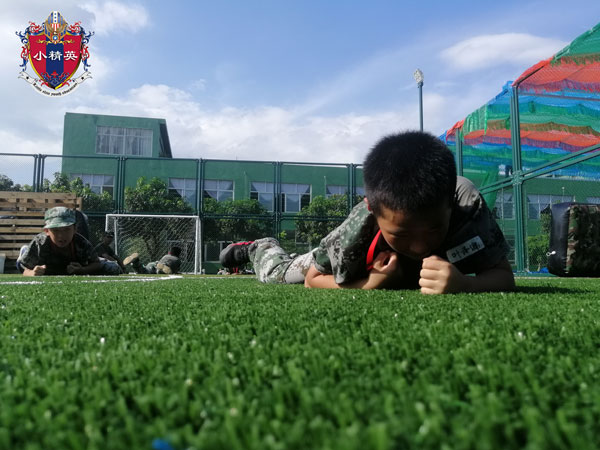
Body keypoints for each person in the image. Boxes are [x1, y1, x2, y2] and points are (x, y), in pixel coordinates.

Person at [219, 131, 515, 294]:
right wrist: (370, 283)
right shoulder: (360, 224)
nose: (419, 246)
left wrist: (465, 284)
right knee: (280, 275)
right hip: (353, 257)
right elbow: (313, 279)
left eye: (434, 229)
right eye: (401, 234)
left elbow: (503, 276)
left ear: (450, 204)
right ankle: (260, 246)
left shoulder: (466, 204)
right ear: (373, 210)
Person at [17, 206, 105, 276]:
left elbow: (96, 263)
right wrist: (32, 273)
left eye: (66, 229)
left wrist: (82, 270)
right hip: (38, 261)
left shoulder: (81, 242)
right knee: (20, 263)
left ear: (75, 229)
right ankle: (25, 250)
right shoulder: (39, 243)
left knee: (109, 267)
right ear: (47, 231)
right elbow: (25, 269)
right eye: (56, 230)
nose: (61, 236)